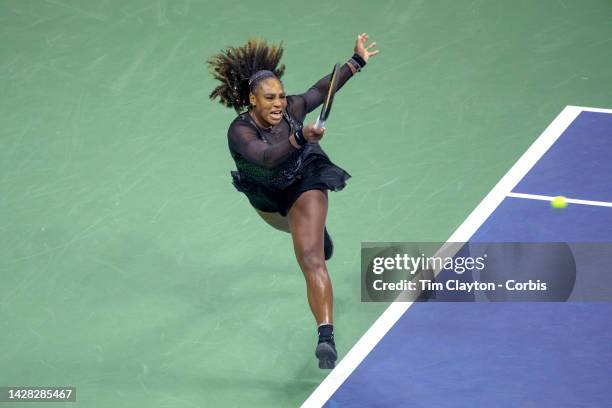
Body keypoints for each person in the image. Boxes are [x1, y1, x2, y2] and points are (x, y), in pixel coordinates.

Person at [208, 33, 379, 369]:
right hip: (267, 197)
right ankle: (313, 230)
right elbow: (267, 157)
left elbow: (321, 89)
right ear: (251, 100)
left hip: (305, 178)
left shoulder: (293, 109)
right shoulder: (239, 131)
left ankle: (325, 336)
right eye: (269, 98)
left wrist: (356, 61)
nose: (278, 104)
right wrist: (300, 135)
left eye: (282, 97)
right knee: (296, 231)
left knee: (311, 257)